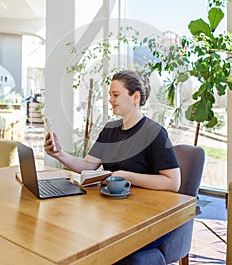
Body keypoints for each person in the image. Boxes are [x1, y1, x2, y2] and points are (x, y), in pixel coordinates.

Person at [44, 69, 180, 192]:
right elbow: (88, 166)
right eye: (110, 95)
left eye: (116, 95)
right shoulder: (109, 130)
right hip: (113, 204)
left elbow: (173, 182)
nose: (110, 100)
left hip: (144, 208)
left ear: (135, 97)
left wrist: (126, 176)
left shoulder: (154, 133)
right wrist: (59, 154)